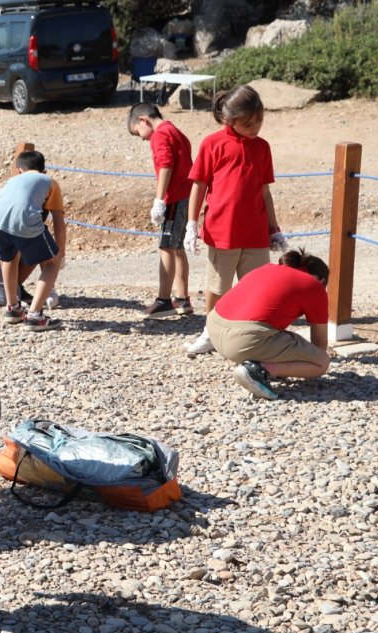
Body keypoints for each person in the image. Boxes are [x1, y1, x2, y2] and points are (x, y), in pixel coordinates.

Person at [183, 84, 289, 354]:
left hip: (255, 232)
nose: (255, 127)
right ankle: (211, 332)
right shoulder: (212, 144)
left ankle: (254, 335)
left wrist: (273, 229)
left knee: (257, 288)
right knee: (218, 287)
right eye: (248, 123)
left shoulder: (263, 147)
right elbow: (198, 185)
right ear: (229, 120)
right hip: (222, 232)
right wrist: (191, 224)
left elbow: (264, 191)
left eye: (259, 121)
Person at [208, 250, 331, 400]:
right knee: (322, 363)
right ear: (321, 280)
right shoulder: (313, 285)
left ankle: (254, 362)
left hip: (214, 328)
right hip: (243, 341)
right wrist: (302, 365)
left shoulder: (265, 268)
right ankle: (260, 370)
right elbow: (319, 345)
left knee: (276, 336)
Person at [0, 150, 66, 331]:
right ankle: (35, 316)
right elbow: (58, 223)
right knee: (52, 262)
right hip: (25, 221)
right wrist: (60, 253)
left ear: (18, 170)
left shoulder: (9, 182)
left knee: (8, 259)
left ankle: (13, 309)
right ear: (43, 170)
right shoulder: (49, 182)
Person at [128, 102, 195, 319]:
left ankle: (164, 300)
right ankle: (182, 298)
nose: (143, 138)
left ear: (143, 120)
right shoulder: (175, 130)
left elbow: (166, 164)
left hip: (174, 198)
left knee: (166, 246)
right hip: (186, 195)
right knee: (177, 247)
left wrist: (159, 199)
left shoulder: (160, 134)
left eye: (139, 133)